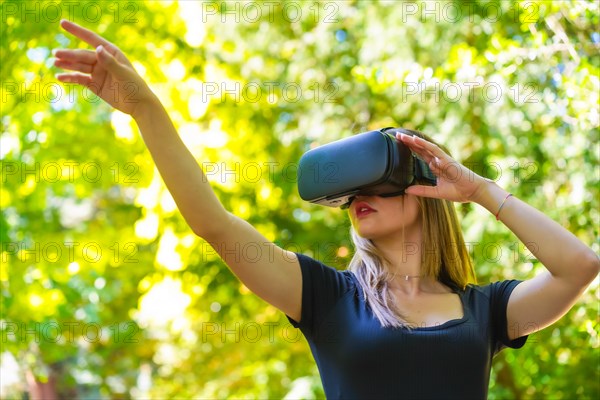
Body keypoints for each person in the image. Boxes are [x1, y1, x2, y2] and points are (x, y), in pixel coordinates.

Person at [53, 20, 599, 399]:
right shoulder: (328, 299)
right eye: (350, 192)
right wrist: (146, 109)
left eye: (376, 183)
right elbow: (214, 225)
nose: (359, 198)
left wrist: (479, 189)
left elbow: (579, 267)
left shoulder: (486, 312)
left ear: (426, 187)